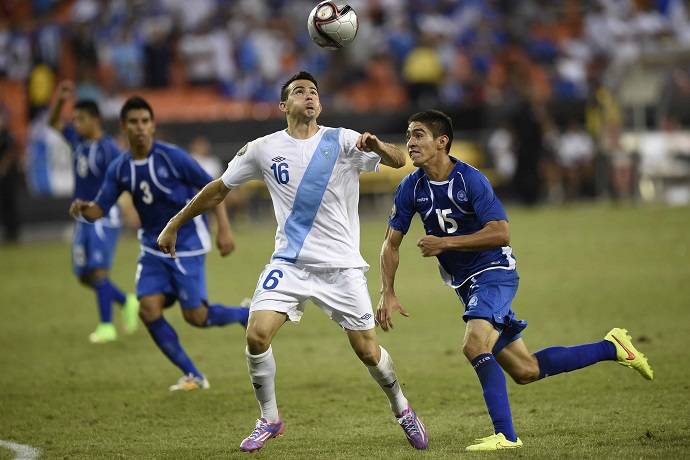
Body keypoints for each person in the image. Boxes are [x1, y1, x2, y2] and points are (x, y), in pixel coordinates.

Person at [157, 71, 428, 452]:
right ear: (284, 106)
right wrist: (173, 224)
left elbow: (401, 161)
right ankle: (269, 418)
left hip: (341, 268)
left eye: (314, 91)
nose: (309, 96)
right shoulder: (263, 148)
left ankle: (401, 407)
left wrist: (378, 146)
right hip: (290, 264)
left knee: (367, 350)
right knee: (256, 334)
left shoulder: (344, 140)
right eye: (299, 91)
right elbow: (218, 190)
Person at [377, 110, 653, 452]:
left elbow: (501, 232)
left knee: (474, 345)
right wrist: (387, 291)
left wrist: (445, 243)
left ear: (442, 142)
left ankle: (506, 436)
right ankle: (613, 347)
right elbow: (391, 243)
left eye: (418, 135)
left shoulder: (470, 180)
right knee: (526, 370)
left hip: (495, 273)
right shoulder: (411, 187)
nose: (410, 142)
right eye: (408, 135)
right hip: (466, 284)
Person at [69, 96, 250, 391]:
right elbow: (100, 208)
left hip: (188, 243)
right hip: (153, 248)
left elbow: (214, 189)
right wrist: (84, 210)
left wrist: (224, 231)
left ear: (152, 125)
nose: (140, 128)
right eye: (133, 122)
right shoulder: (119, 168)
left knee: (196, 317)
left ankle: (243, 314)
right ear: (124, 127)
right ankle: (192, 375)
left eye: (145, 121)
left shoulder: (172, 157)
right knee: (148, 310)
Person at [48, 81, 139, 343]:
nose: (75, 124)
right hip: (81, 217)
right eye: (74, 119)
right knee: (84, 275)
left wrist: (130, 209)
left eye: (81, 119)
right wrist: (60, 99)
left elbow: (126, 179)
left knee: (99, 271)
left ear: (95, 120)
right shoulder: (76, 141)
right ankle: (126, 301)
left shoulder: (110, 149)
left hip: (104, 215)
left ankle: (106, 326)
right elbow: (53, 123)